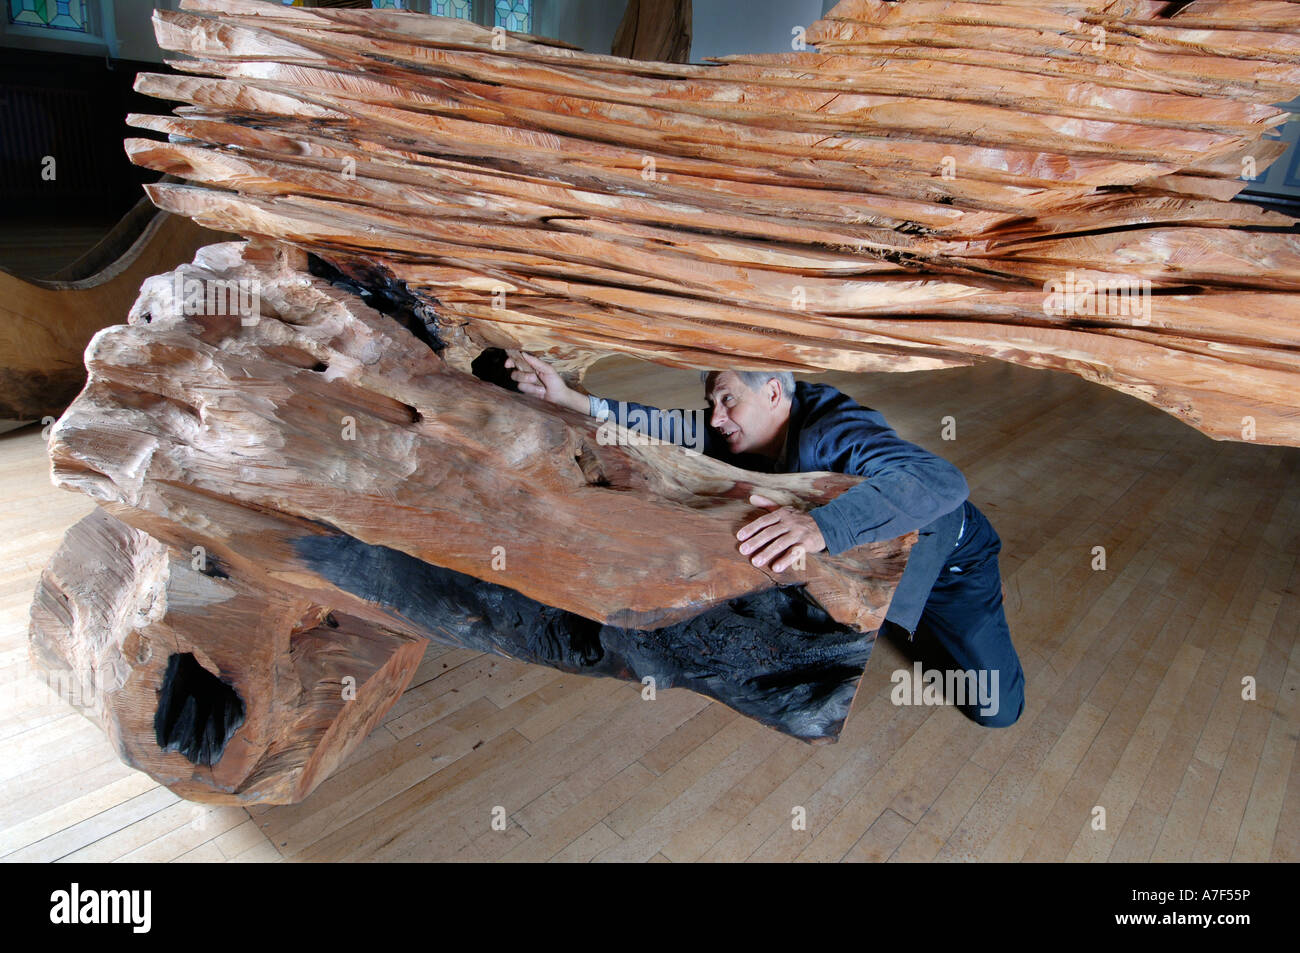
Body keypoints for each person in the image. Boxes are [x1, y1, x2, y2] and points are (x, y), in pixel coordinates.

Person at [504, 352, 1025, 728]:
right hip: (863, 566)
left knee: (995, 710)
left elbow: (941, 481)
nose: (716, 416)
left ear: (774, 391)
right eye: (712, 402)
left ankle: (937, 618)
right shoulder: (752, 428)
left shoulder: (837, 430)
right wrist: (571, 399)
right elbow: (670, 427)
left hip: (950, 564)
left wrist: (820, 526)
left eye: (727, 399)